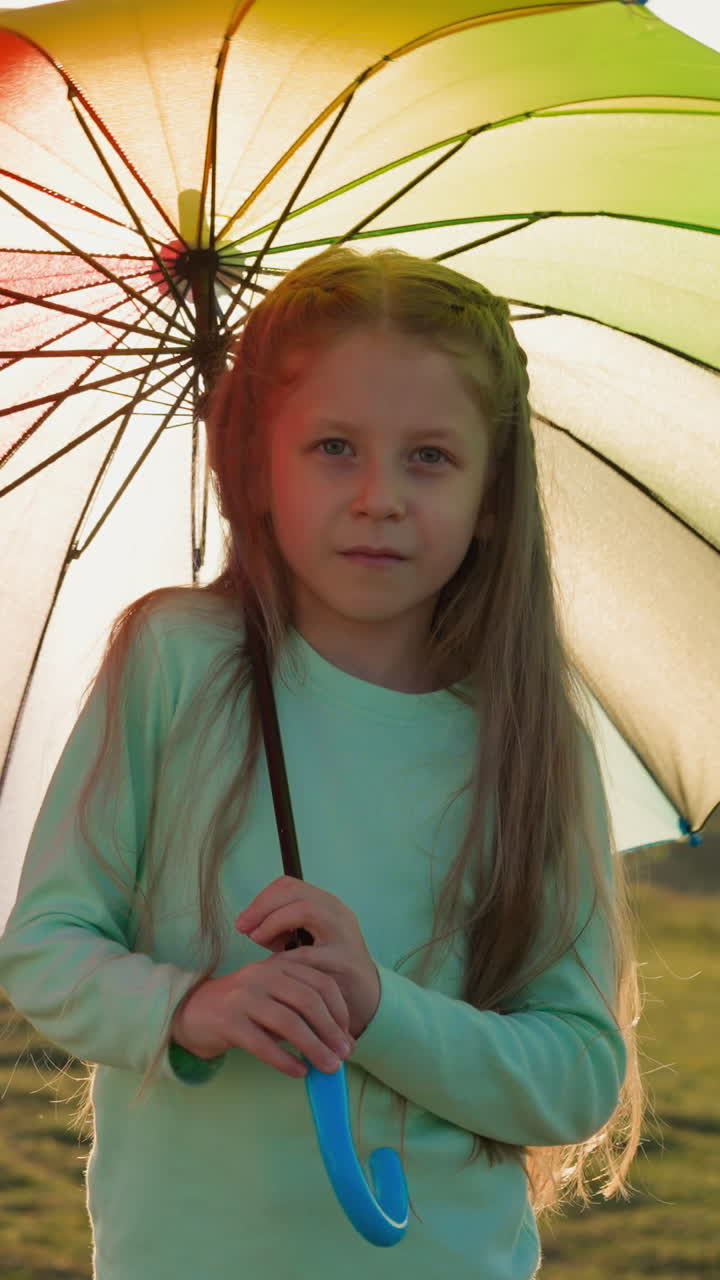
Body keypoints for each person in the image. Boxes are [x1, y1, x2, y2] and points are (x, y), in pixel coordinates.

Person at [0, 245, 644, 1278]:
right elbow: (46, 940)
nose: (380, 495)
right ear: (257, 463)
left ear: (491, 491)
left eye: (429, 455)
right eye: (335, 445)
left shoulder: (527, 735)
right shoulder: (175, 661)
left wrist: (380, 1005)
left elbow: (573, 1074)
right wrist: (190, 1005)